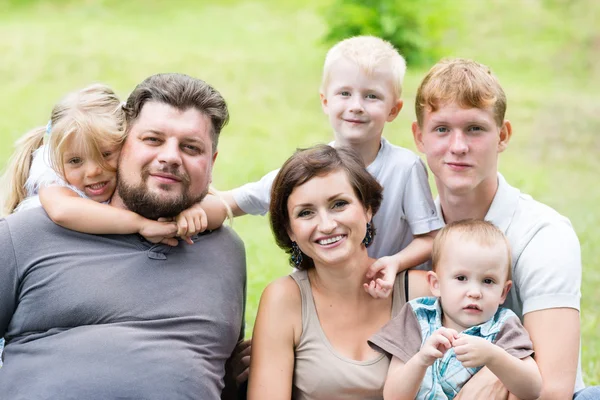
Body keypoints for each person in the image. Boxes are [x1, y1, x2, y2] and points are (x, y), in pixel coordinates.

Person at [0, 73, 246, 399]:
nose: (171, 156)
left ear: (211, 163)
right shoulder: (27, 234)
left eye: (190, 147)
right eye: (153, 140)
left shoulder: (226, 252)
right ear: (123, 143)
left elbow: (220, 378)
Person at [406, 58, 598, 399]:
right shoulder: (409, 234)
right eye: (441, 129)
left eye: (475, 129)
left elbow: (553, 390)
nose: (458, 146)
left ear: (503, 135)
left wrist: (499, 372)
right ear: (419, 137)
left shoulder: (544, 234)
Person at [210, 36, 443, 290]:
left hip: (384, 295)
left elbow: (430, 239)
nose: (356, 106)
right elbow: (233, 202)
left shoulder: (405, 168)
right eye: (344, 93)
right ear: (325, 101)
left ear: (393, 110)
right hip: (320, 294)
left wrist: (393, 263)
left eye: (372, 96)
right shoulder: (307, 171)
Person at [248, 144, 436, 400]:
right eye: (305, 213)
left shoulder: (421, 293)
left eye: (339, 204)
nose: (326, 225)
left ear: (368, 209)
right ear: (290, 230)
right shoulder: (284, 300)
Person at [1, 83, 226, 244]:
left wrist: (189, 209)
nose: (93, 170)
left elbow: (221, 210)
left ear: (124, 142)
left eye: (105, 154)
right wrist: (140, 224)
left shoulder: (138, 182)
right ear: (59, 161)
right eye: (75, 161)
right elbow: (62, 211)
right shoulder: (55, 184)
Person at [371, 220, 542, 400]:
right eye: (461, 278)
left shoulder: (504, 326)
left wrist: (494, 357)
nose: (475, 293)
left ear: (503, 292)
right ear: (436, 284)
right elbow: (393, 396)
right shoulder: (418, 316)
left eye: (488, 281)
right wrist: (421, 360)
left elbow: (533, 389)